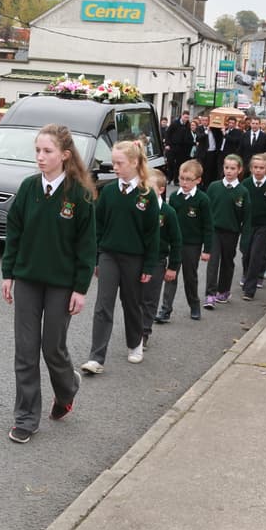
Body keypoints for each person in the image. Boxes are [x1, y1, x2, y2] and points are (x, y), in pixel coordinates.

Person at [1, 124, 95, 444]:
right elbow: (13, 232)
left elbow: (86, 246)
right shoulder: (28, 188)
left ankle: (67, 388)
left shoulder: (79, 194)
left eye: (47, 151)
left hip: (62, 285)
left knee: (52, 347)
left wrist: (80, 289)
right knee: (25, 351)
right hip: (28, 279)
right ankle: (26, 417)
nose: (40, 157)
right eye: (37, 151)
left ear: (64, 156)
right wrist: (8, 273)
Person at [80, 141, 159, 375]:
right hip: (108, 255)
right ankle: (96, 357)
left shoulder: (146, 196)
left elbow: (152, 234)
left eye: (119, 163)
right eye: (113, 162)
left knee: (131, 303)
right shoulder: (109, 191)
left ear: (134, 163)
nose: (114, 167)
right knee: (103, 305)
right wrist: (95, 257)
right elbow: (98, 225)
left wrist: (149, 265)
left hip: (134, 258)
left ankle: (135, 343)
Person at [162, 159, 212, 322]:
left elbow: (208, 226)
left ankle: (194, 305)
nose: (184, 182)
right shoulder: (175, 198)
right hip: (174, 244)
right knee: (170, 276)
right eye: (181, 178)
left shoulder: (202, 199)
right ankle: (165, 309)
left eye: (188, 179)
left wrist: (207, 249)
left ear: (198, 180)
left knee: (190, 277)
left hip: (192, 244)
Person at [139, 168, 181, 346]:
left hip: (157, 261)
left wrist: (173, 266)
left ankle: (144, 332)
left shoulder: (168, 212)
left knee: (149, 298)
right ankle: (134, 327)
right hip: (138, 259)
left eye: (149, 187)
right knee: (135, 297)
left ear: (161, 189)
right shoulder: (138, 207)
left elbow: (177, 241)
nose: (145, 191)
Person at [205, 154, 251, 307]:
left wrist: (245, 237)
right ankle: (210, 294)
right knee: (213, 261)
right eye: (226, 167)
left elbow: (247, 216)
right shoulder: (214, 186)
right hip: (214, 231)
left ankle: (223, 290)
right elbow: (206, 209)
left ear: (239, 170)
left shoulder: (243, 192)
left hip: (231, 232)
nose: (229, 171)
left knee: (227, 262)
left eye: (232, 168)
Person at [239, 153, 266, 299]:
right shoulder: (245, 184)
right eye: (255, 167)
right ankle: (246, 275)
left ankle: (250, 290)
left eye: (261, 168)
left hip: (263, 226)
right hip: (248, 225)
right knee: (246, 253)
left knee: (256, 255)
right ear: (251, 168)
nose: (258, 170)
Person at [165, 110, 195, 183]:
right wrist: (167, 144)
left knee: (179, 164)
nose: (186, 119)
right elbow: (168, 133)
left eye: (187, 118)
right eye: (185, 117)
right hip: (172, 146)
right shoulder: (175, 123)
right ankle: (169, 177)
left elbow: (189, 136)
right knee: (170, 162)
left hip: (182, 148)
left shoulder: (188, 125)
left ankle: (176, 180)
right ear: (182, 116)